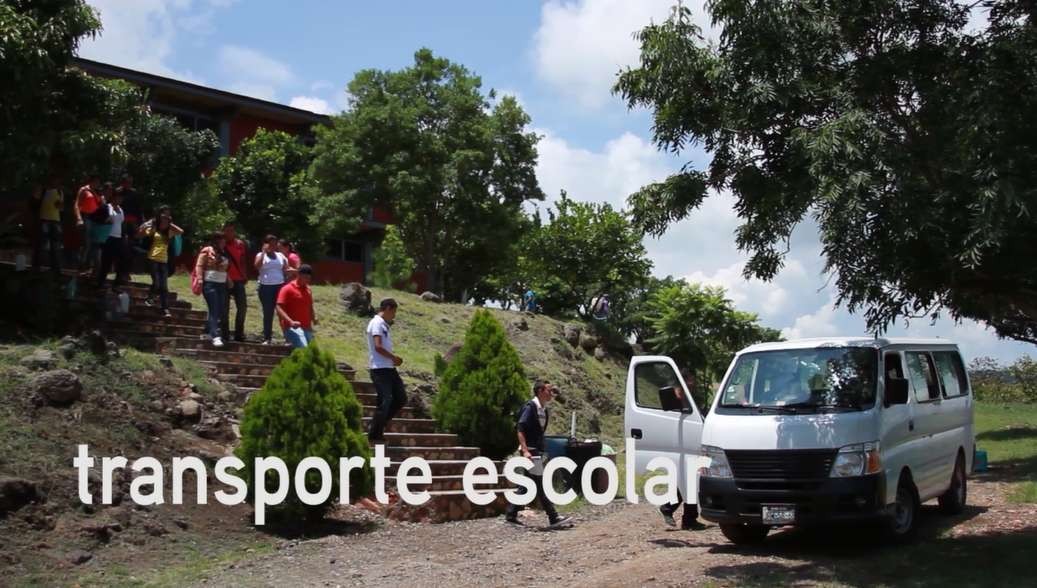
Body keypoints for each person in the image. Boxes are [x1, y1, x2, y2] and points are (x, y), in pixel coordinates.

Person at [505, 381, 573, 528]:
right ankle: (553, 517)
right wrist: (525, 450)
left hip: (535, 450)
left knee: (527, 484)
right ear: (541, 391)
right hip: (530, 450)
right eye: (549, 390)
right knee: (540, 483)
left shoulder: (544, 410)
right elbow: (520, 428)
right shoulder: (531, 408)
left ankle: (511, 513)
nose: (552, 393)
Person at [659, 379, 704, 530]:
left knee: (690, 481)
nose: (693, 384)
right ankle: (671, 509)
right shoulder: (675, 401)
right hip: (680, 444)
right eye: (690, 381)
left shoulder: (687, 400)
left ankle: (688, 518)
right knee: (688, 481)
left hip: (689, 443)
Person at [365, 298, 407, 443]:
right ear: (388, 308)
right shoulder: (376, 323)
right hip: (379, 368)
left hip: (389, 368)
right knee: (385, 400)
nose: (394, 315)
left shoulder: (384, 325)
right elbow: (378, 346)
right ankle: (374, 434)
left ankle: (378, 425)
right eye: (394, 312)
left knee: (400, 398)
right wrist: (393, 358)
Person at [137, 206, 183, 317]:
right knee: (156, 282)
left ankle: (165, 308)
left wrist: (169, 222)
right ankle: (150, 298)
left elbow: (181, 231)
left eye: (167, 216)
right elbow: (141, 233)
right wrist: (147, 225)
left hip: (164, 260)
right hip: (152, 258)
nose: (165, 219)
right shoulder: (154, 228)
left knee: (164, 287)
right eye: (163, 216)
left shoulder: (169, 232)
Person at [195, 233, 230, 347]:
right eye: (222, 241)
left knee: (219, 309)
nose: (224, 243)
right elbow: (199, 265)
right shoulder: (207, 250)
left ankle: (208, 332)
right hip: (210, 283)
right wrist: (200, 279)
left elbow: (225, 268)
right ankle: (215, 335)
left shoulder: (224, 252)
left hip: (221, 283)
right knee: (214, 308)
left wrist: (228, 279)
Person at [254, 234, 289, 345]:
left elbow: (285, 269)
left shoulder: (280, 256)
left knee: (283, 313)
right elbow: (257, 266)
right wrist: (264, 253)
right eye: (270, 243)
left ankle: (287, 337)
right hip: (266, 287)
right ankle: (267, 337)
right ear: (265, 244)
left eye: (275, 243)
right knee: (268, 313)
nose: (273, 246)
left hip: (280, 286)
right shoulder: (260, 255)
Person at [95, 183, 128, 291]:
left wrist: (124, 235)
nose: (120, 200)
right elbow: (99, 220)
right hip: (108, 237)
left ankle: (117, 284)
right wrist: (106, 220)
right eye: (118, 198)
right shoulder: (107, 207)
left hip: (118, 238)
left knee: (122, 260)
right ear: (113, 198)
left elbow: (122, 223)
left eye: (121, 198)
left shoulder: (121, 210)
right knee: (106, 262)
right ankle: (100, 283)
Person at [276, 264, 317, 348]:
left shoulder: (308, 290)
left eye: (309, 278)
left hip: (307, 328)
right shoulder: (287, 289)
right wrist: (290, 322)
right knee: (304, 349)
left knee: (313, 350)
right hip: (292, 328)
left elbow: (310, 306)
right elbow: (278, 307)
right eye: (305, 278)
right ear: (299, 275)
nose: (307, 280)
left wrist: (314, 317)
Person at [221, 222, 249, 342]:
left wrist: (244, 275)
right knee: (224, 308)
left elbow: (242, 261)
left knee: (242, 307)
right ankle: (225, 333)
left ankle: (239, 333)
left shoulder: (240, 244)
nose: (229, 233)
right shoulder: (220, 244)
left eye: (231, 230)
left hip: (238, 279)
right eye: (226, 230)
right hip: (224, 280)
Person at [31, 174, 64, 274]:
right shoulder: (43, 190)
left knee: (55, 245)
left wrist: (60, 205)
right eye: (54, 180)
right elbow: (34, 201)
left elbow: (61, 208)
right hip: (44, 220)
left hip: (56, 221)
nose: (56, 182)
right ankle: (36, 266)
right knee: (41, 244)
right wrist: (37, 192)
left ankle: (55, 268)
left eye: (57, 181)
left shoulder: (60, 192)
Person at [74, 174, 102, 275]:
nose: (98, 184)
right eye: (96, 181)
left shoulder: (97, 192)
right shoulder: (84, 190)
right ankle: (81, 265)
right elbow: (77, 204)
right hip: (86, 217)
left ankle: (89, 266)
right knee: (86, 243)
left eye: (99, 182)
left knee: (93, 244)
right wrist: (78, 218)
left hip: (95, 220)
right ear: (91, 181)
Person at [116, 174, 141, 284]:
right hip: (120, 221)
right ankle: (120, 272)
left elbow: (138, 209)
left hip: (132, 222)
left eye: (131, 182)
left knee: (131, 247)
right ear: (123, 182)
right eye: (127, 182)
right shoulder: (117, 192)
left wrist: (138, 223)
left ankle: (126, 272)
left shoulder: (134, 193)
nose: (129, 184)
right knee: (121, 247)